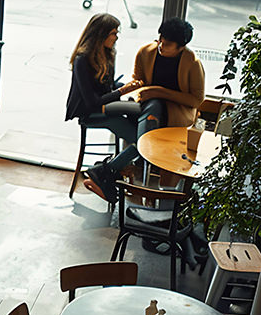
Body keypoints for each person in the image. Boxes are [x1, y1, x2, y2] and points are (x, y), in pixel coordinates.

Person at [83, 18, 205, 200]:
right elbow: (138, 82)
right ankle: (111, 171)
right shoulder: (146, 52)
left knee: (149, 120)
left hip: (175, 115)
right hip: (145, 108)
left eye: (168, 43)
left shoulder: (193, 64)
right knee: (145, 116)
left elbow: (196, 100)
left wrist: (159, 91)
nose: (161, 44)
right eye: (160, 38)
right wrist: (142, 92)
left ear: (181, 47)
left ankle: (109, 171)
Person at [65, 14, 144, 201]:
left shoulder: (108, 54)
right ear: (100, 35)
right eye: (113, 33)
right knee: (142, 141)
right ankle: (107, 171)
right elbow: (92, 102)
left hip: (104, 108)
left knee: (138, 114)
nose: (116, 37)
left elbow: (106, 89)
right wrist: (123, 91)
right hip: (89, 112)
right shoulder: (82, 59)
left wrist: (127, 87)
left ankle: (108, 174)